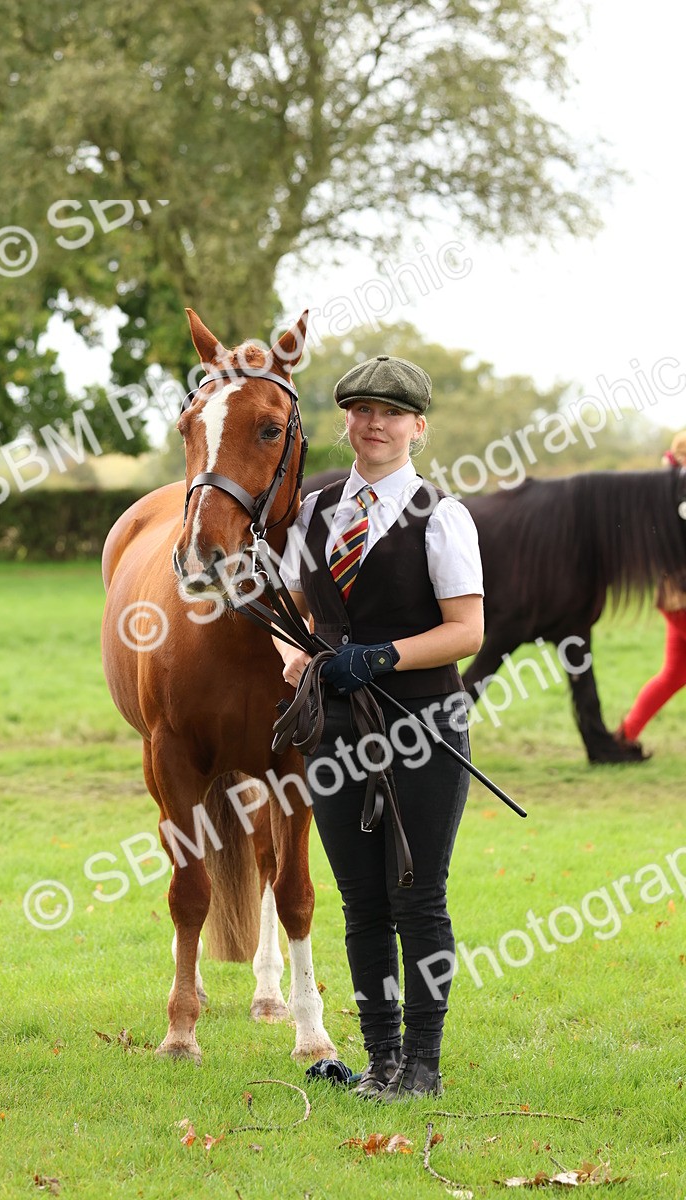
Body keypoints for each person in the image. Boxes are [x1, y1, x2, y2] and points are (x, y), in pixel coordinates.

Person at [273, 354, 484, 1103]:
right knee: (360, 900)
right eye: (361, 410)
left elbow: (467, 631)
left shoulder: (442, 516)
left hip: (422, 726)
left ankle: (422, 1064)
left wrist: (383, 656)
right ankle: (380, 1061)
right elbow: (295, 609)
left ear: (417, 427)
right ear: (348, 421)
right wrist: (300, 658)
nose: (374, 424)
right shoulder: (314, 508)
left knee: (416, 895)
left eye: (391, 413)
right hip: (333, 726)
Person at [614, 430, 686, 756]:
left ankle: (625, 736)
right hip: (680, 595)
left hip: (672, 597)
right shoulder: (676, 491)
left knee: (673, 674)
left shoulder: (662, 486)